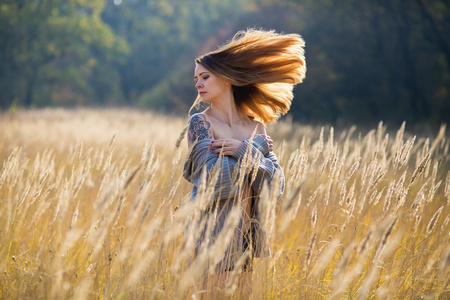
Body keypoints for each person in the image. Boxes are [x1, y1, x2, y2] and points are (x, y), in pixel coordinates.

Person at [182, 28, 306, 293]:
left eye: (205, 77)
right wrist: (253, 152)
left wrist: (241, 150)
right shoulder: (200, 123)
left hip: (247, 236)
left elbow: (275, 184)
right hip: (210, 232)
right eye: (196, 80)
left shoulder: (256, 128)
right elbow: (212, 181)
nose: (198, 84)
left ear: (226, 79)